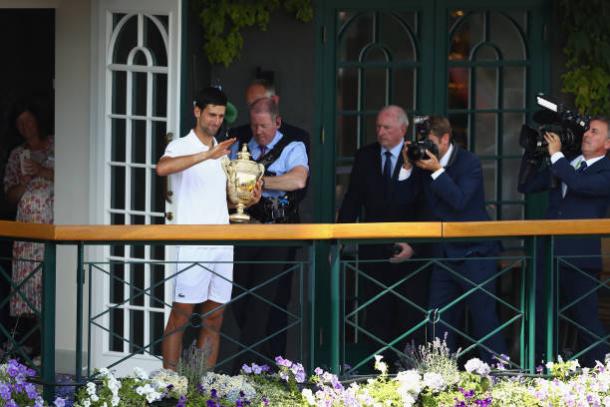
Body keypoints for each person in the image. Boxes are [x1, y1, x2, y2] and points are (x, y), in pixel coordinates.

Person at [156, 87, 260, 370]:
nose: (216, 121)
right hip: (192, 243)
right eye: (211, 114)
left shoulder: (224, 153)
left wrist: (248, 197)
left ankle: (202, 387)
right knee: (181, 315)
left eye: (220, 116)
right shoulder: (181, 145)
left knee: (214, 318)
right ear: (197, 111)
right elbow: (162, 169)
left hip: (222, 243)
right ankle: (170, 387)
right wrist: (206, 155)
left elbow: (225, 198)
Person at [401, 116, 507, 363]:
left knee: (484, 320)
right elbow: (407, 201)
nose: (426, 147)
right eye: (422, 142)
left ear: (445, 139)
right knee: (439, 320)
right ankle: (440, 377)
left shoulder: (469, 162)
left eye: (431, 141)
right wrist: (407, 166)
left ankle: (501, 373)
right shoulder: (422, 163)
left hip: (475, 254)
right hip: (444, 255)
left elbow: (459, 200)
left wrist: (437, 171)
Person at [337, 105, 429, 364]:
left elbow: (426, 204)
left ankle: (410, 371)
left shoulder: (417, 156)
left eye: (386, 127)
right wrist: (340, 235)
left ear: (403, 129)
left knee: (409, 314)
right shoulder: (365, 155)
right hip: (373, 248)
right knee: (376, 313)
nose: (380, 132)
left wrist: (415, 245)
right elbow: (353, 198)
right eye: (378, 126)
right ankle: (379, 372)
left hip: (409, 251)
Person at [518, 117, 610, 366]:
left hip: (579, 257)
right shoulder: (568, 162)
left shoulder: (606, 170)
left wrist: (557, 156)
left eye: (595, 132)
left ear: (608, 143)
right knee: (539, 316)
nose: (587, 135)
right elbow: (526, 185)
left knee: (586, 320)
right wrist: (532, 152)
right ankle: (536, 369)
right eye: (587, 130)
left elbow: (579, 184)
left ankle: (603, 371)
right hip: (548, 253)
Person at [231, 97, 309, 369]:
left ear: (277, 122)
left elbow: (298, 179)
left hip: (279, 235)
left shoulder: (293, 147)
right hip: (243, 233)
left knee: (265, 302)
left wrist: (259, 183)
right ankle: (264, 365)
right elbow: (229, 189)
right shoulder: (241, 150)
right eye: (254, 126)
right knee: (238, 301)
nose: (258, 131)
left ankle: (248, 367)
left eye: (263, 126)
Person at [3, 101, 54, 360]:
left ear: (38, 119)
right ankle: (36, 347)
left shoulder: (56, 144)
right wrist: (23, 184)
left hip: (54, 232)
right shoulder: (16, 155)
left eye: (29, 120)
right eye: (20, 123)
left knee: (51, 287)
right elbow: (9, 197)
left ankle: (50, 348)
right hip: (27, 234)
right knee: (30, 293)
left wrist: (42, 171)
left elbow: (72, 175)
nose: (26, 126)